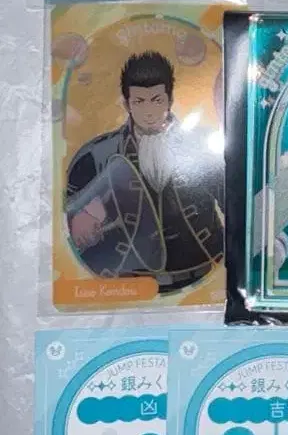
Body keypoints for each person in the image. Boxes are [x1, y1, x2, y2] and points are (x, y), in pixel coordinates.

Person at [65, 51, 224, 292]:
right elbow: (65, 219)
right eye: (139, 101)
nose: (149, 112)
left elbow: (235, 205)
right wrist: (79, 219)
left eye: (157, 100)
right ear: (126, 104)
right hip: (128, 284)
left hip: (202, 276)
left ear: (170, 100)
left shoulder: (203, 145)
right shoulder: (96, 154)